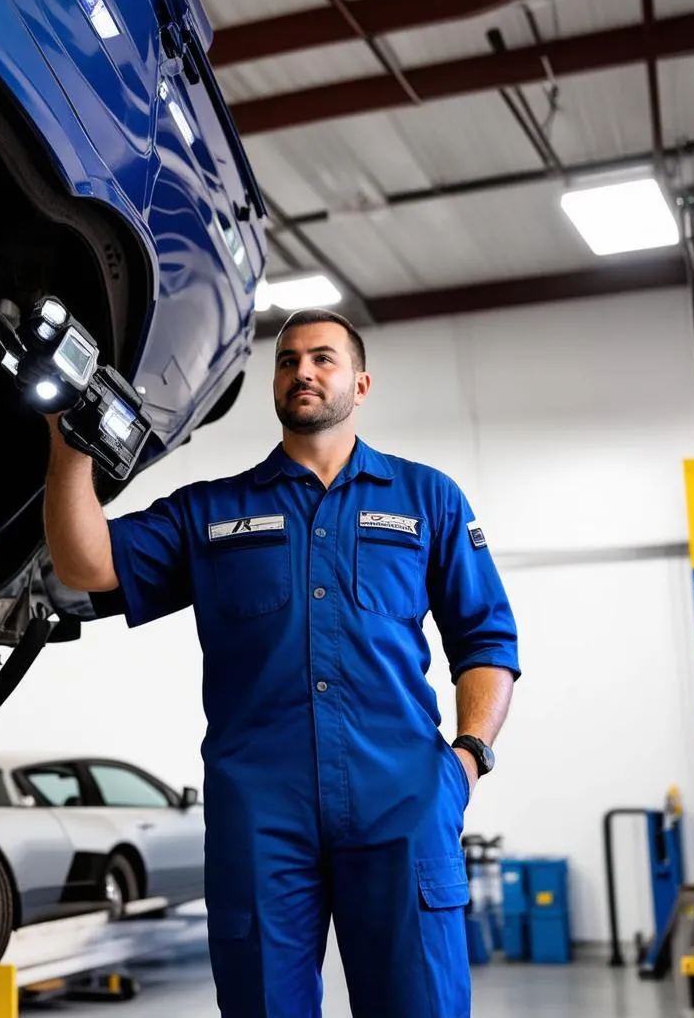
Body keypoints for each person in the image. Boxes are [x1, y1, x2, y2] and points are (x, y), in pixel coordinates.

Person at [43, 308, 521, 1018]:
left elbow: (486, 641)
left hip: (404, 799)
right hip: (260, 808)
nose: (303, 371)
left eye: (323, 359)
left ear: (360, 383)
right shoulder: (213, 512)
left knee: (420, 1002)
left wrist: (469, 756)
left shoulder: (429, 499)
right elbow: (88, 565)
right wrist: (68, 443)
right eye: (288, 359)